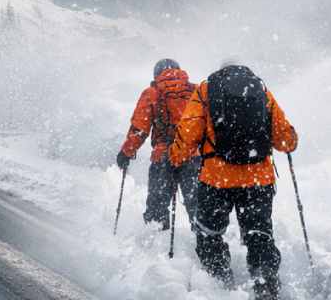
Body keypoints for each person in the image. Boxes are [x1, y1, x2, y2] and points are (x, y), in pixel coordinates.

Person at [171, 64, 297, 300]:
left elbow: (188, 133)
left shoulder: (206, 90)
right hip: (257, 180)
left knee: (209, 234)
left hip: (217, 179)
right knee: (259, 234)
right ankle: (266, 285)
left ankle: (220, 283)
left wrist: (175, 157)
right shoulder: (260, 89)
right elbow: (284, 138)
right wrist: (291, 140)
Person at [117, 59, 200, 229]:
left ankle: (155, 238)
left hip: (163, 156)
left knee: (157, 207)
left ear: (156, 75)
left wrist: (126, 152)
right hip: (191, 155)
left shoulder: (152, 93)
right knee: (198, 207)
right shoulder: (196, 91)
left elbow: (140, 128)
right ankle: (205, 240)